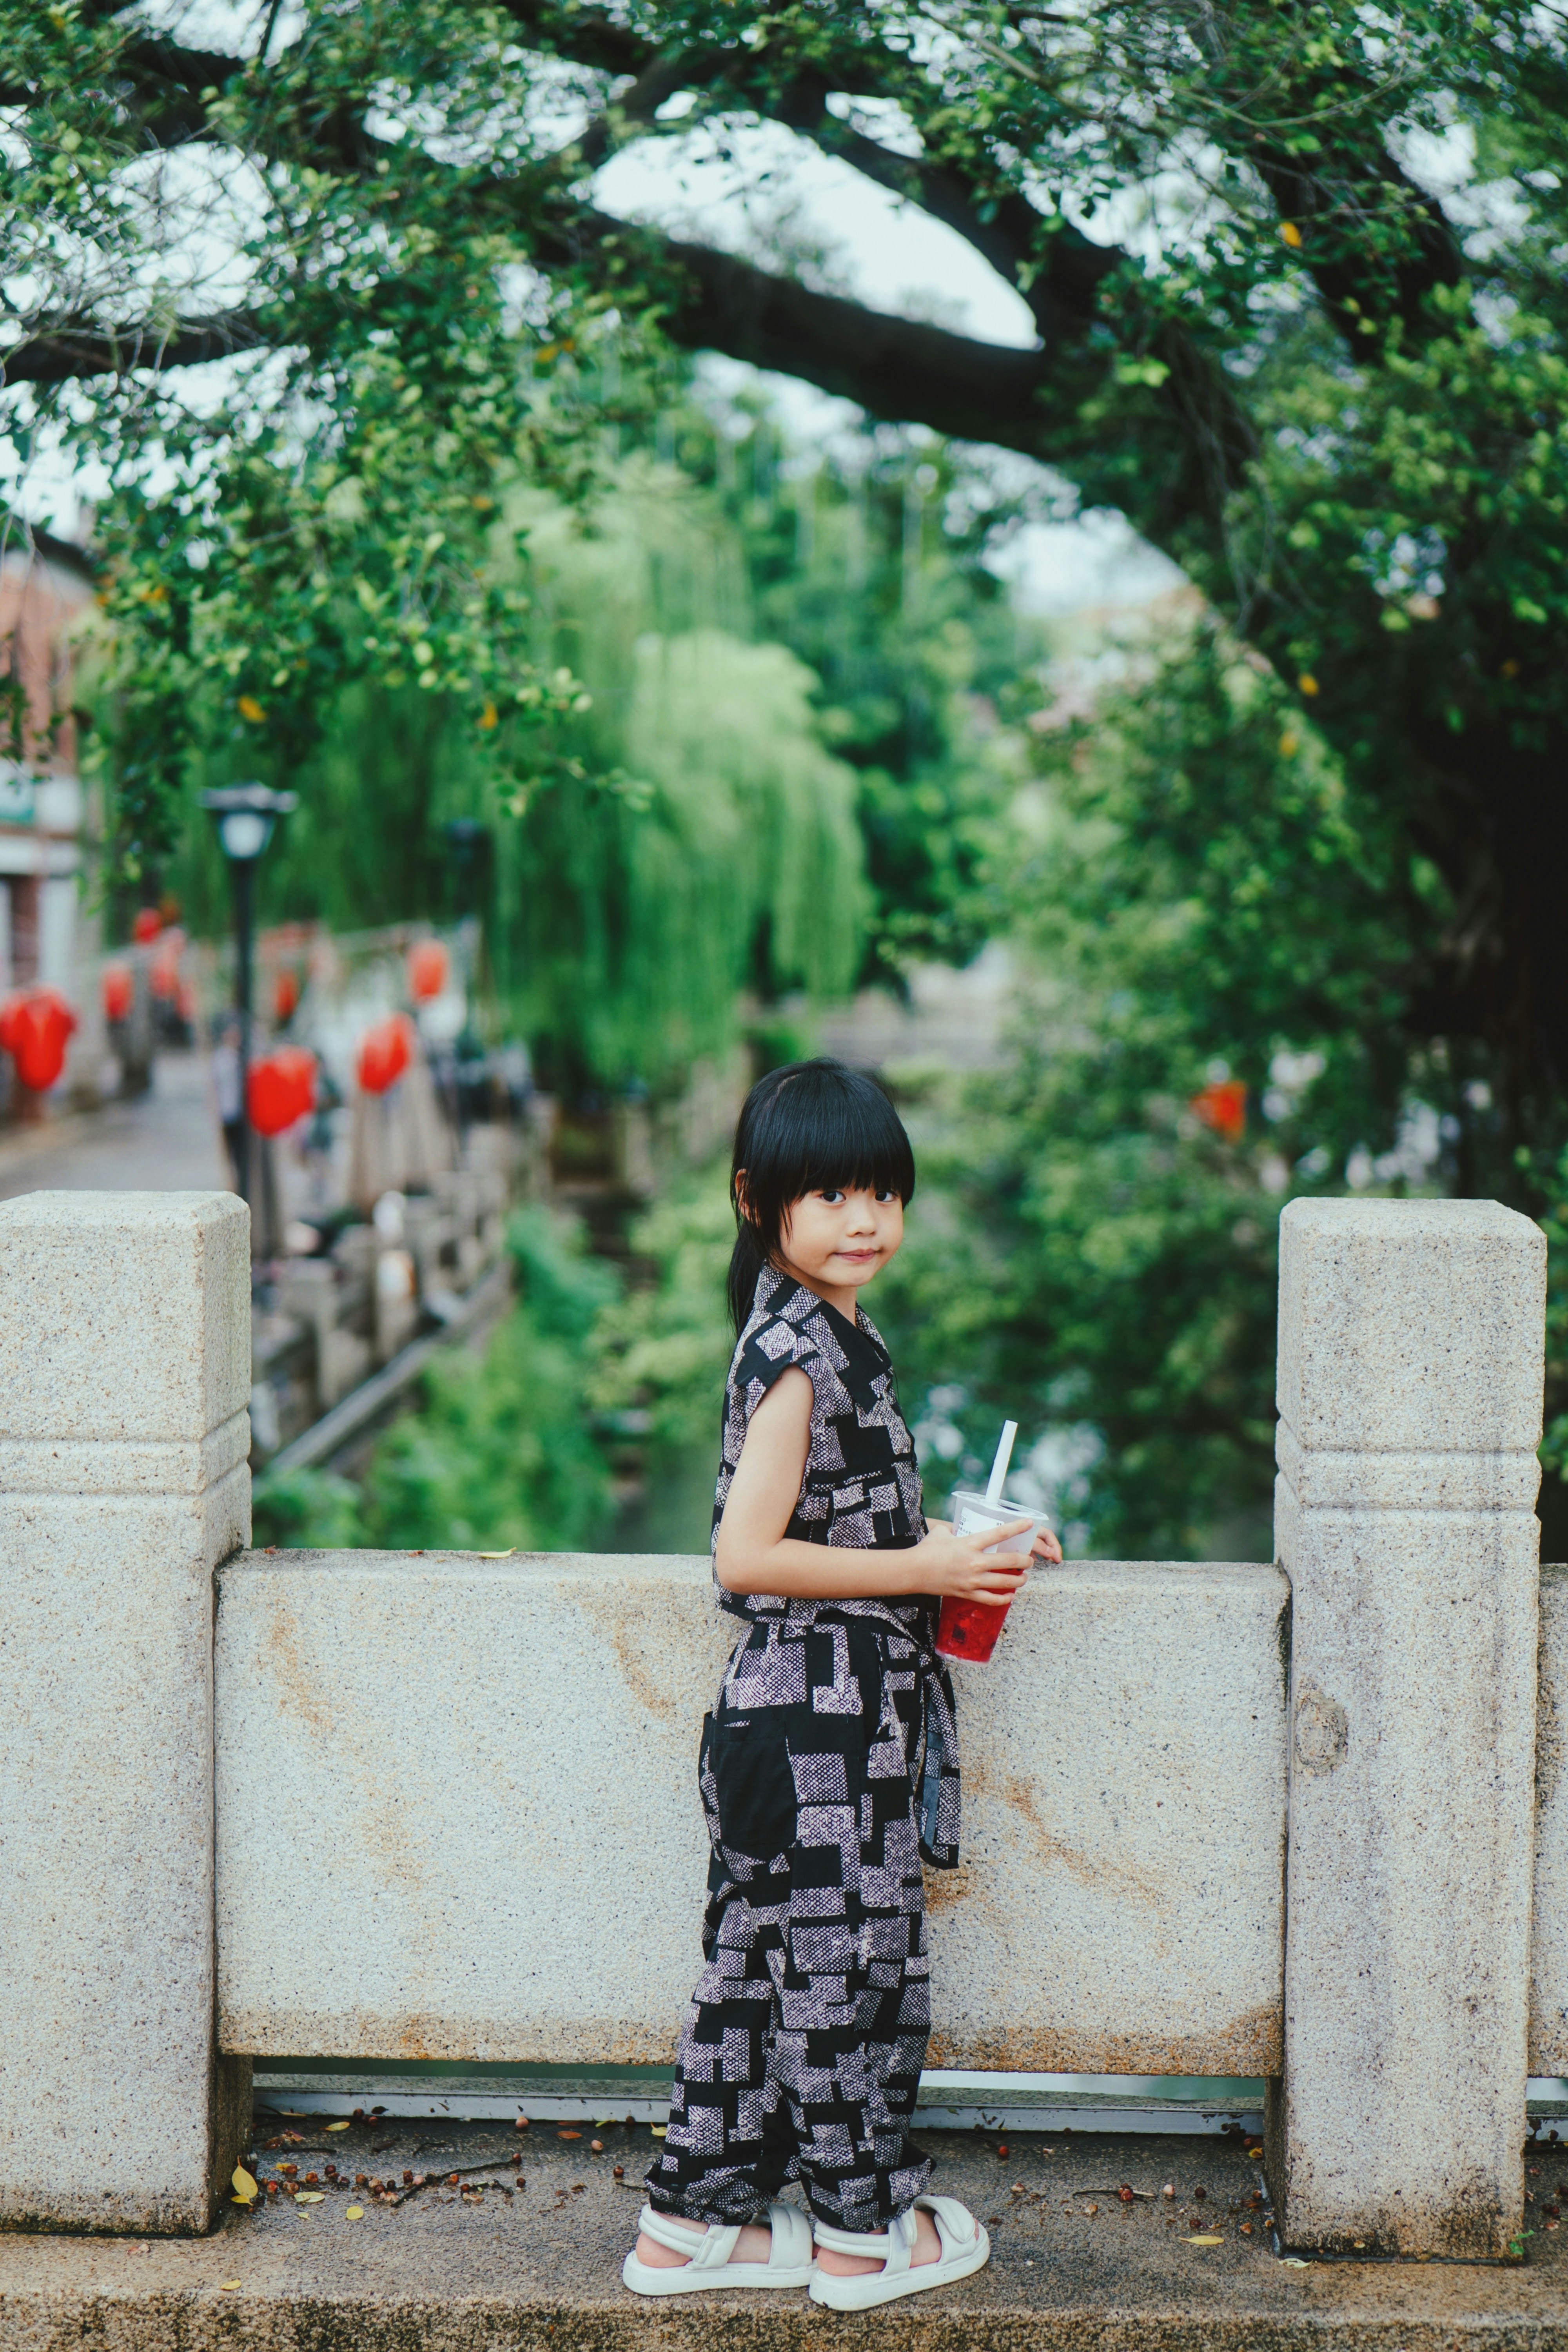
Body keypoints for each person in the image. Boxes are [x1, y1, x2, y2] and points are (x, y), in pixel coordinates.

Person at [623, 1058, 1062, 2310]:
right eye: (832, 1194)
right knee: (846, 1983)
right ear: (759, 1200)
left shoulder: (827, 1329)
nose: (865, 1219)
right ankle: (863, 2237)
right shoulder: (799, 1353)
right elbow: (743, 1555)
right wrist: (927, 1562)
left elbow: (853, 1523)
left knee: (761, 1981)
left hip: (811, 1714)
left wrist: (981, 1545)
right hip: (814, 1717)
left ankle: (689, 2230)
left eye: (883, 1191)